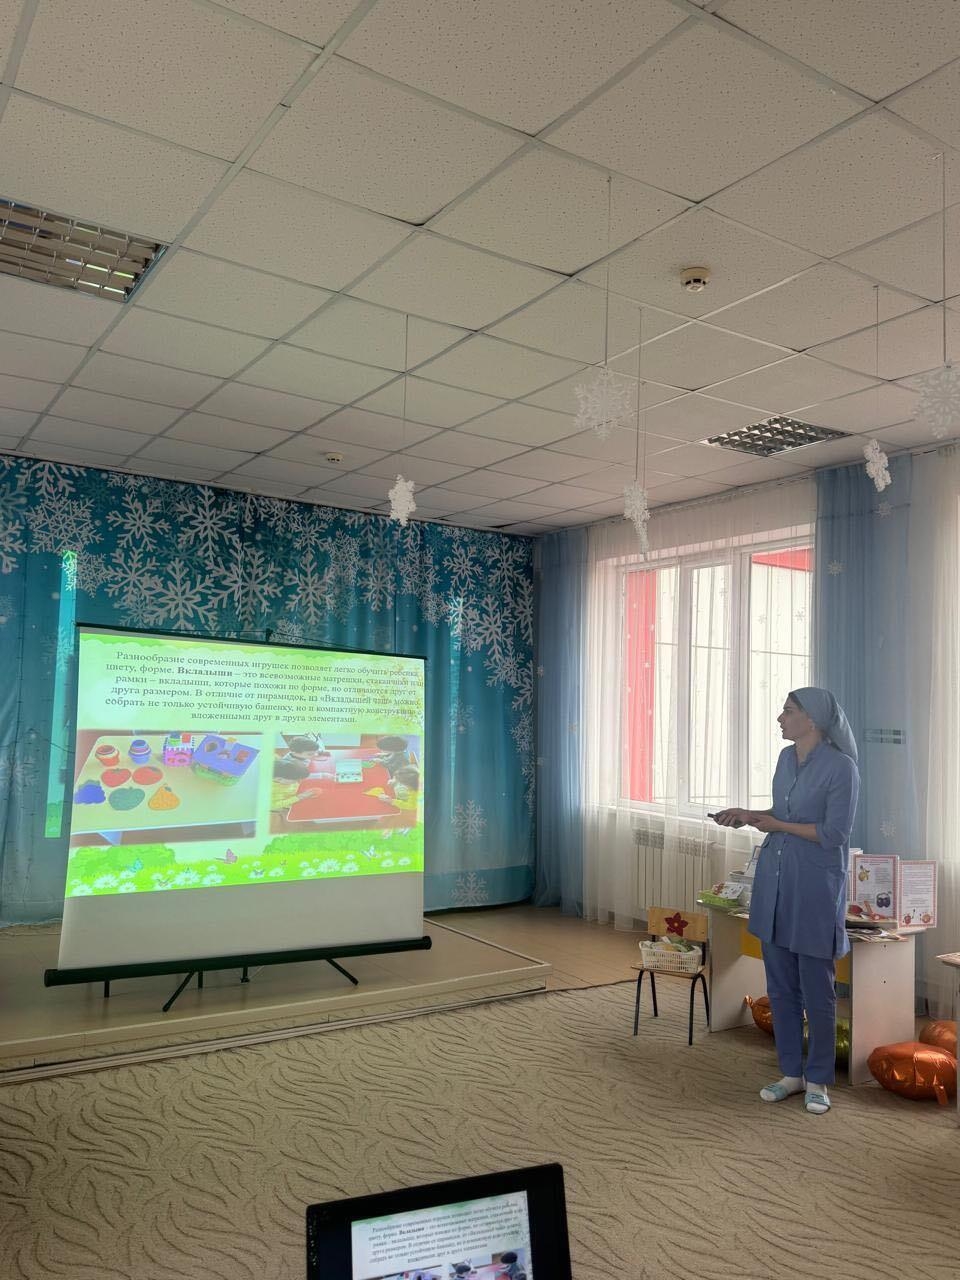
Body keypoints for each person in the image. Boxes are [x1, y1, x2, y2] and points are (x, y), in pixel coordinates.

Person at [712, 687, 859, 1116]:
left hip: (814, 886)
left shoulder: (842, 768)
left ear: (812, 720)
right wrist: (750, 816)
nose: (780, 718)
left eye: (788, 711)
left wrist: (777, 824)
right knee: (779, 985)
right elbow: (784, 814)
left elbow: (834, 833)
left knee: (817, 988)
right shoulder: (784, 759)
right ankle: (791, 1073)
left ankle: (818, 1080)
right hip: (775, 878)